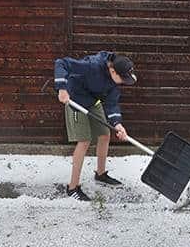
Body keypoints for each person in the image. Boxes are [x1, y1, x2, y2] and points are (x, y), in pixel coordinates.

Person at [54, 51, 137, 201]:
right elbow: (62, 63)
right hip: (76, 100)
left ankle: (100, 174)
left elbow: (112, 104)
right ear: (112, 70)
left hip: (92, 101)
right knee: (84, 141)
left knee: (105, 134)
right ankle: (72, 187)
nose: (123, 81)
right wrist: (62, 88)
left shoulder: (113, 81)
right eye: (122, 78)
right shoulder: (92, 66)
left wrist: (117, 124)